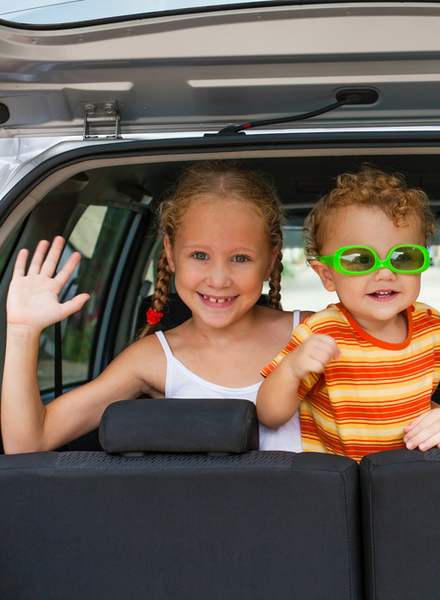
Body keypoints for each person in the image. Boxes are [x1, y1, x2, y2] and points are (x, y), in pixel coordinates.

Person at [1, 162, 307, 454]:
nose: (218, 279)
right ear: (171, 255)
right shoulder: (154, 358)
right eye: (199, 255)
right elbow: (29, 442)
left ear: (269, 261)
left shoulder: (317, 333)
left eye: (240, 258)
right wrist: (22, 332)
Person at [257, 167, 440, 461]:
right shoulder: (322, 332)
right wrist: (292, 368)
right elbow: (269, 415)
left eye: (404, 257)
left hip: (408, 472)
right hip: (341, 479)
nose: (386, 272)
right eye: (359, 259)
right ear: (327, 276)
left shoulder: (429, 324)